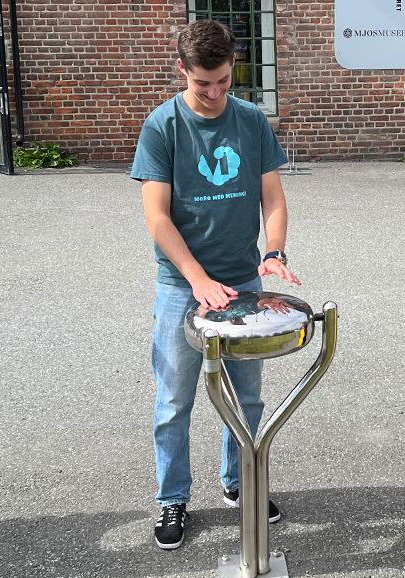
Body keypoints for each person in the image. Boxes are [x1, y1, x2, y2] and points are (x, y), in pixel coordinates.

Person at [130, 19, 300, 550]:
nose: (214, 93)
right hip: (182, 285)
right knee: (174, 402)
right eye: (203, 82)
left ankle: (238, 482)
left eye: (224, 80)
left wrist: (272, 252)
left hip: (245, 278)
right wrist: (198, 278)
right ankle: (172, 498)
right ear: (183, 70)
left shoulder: (250, 121)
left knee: (247, 397)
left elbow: (272, 198)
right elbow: (157, 217)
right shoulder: (163, 126)